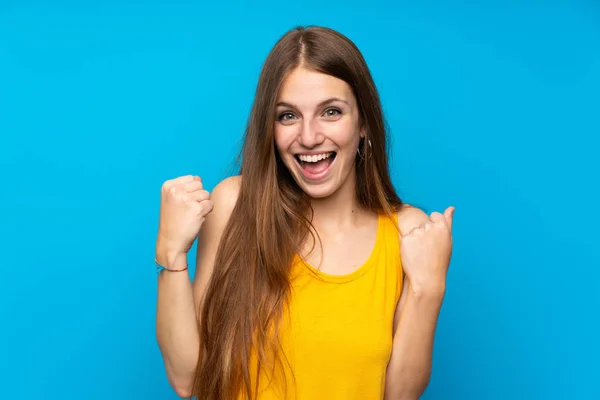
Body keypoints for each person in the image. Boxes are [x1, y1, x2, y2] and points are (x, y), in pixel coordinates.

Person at [155, 25, 454, 400]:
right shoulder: (235, 205)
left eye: (331, 112)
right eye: (287, 116)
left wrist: (429, 288)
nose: (309, 137)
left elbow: (400, 395)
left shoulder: (408, 232)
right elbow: (189, 379)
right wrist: (171, 255)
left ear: (363, 123)